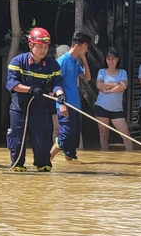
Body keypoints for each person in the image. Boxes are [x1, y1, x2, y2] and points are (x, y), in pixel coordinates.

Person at [6, 27, 67, 172]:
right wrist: (30, 89)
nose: (43, 50)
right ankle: (17, 165)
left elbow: (57, 83)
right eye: (39, 47)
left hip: (40, 110)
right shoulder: (18, 62)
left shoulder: (52, 65)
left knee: (42, 142)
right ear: (30, 45)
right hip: (20, 109)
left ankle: (43, 167)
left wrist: (60, 95)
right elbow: (11, 84)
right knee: (17, 141)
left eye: (45, 47)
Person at [50, 31, 92, 161]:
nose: (87, 49)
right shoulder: (63, 61)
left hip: (75, 104)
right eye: (86, 46)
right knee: (65, 137)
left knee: (73, 140)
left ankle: (70, 168)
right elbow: (56, 83)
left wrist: (84, 58)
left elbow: (87, 77)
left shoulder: (74, 62)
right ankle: (46, 159)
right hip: (65, 104)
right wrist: (61, 103)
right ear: (78, 45)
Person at [95, 47, 134, 152]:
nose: (111, 61)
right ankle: (105, 155)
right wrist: (115, 84)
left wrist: (108, 90)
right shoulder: (102, 71)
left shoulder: (122, 72)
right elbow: (99, 85)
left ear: (117, 59)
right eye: (108, 58)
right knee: (103, 134)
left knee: (125, 133)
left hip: (117, 109)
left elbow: (123, 86)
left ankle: (131, 155)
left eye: (113, 58)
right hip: (102, 106)